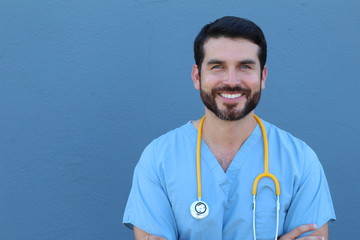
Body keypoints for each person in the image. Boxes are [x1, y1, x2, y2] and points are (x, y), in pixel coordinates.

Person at [123, 16, 336, 240]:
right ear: (197, 76)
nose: (232, 80)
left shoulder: (300, 161)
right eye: (217, 66)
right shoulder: (158, 159)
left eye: (245, 66)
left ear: (262, 76)